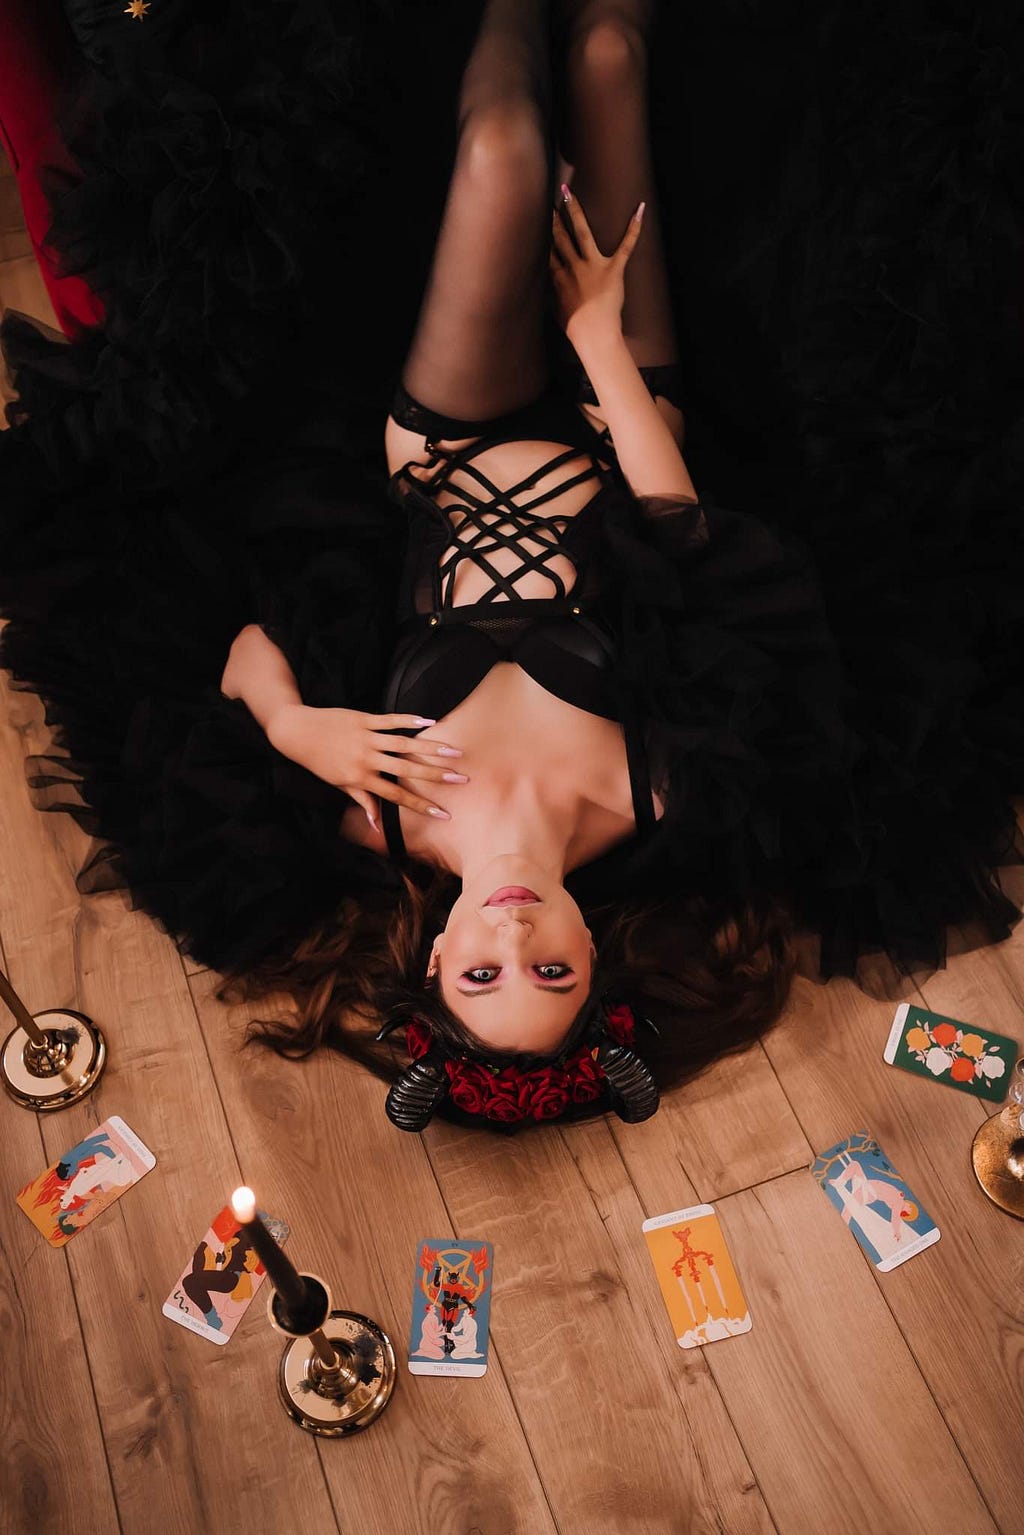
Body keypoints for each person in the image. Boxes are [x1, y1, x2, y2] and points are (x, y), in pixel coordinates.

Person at [1, 0, 1021, 1134]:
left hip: (446, 445)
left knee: (505, 151)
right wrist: (593, 339)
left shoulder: (369, 816)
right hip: (619, 417)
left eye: (482, 974)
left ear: (437, 957)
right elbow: (692, 543)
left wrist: (293, 724)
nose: (517, 942)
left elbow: (238, 649)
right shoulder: (658, 796)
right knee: (608, 54)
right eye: (552, 974)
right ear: (596, 956)